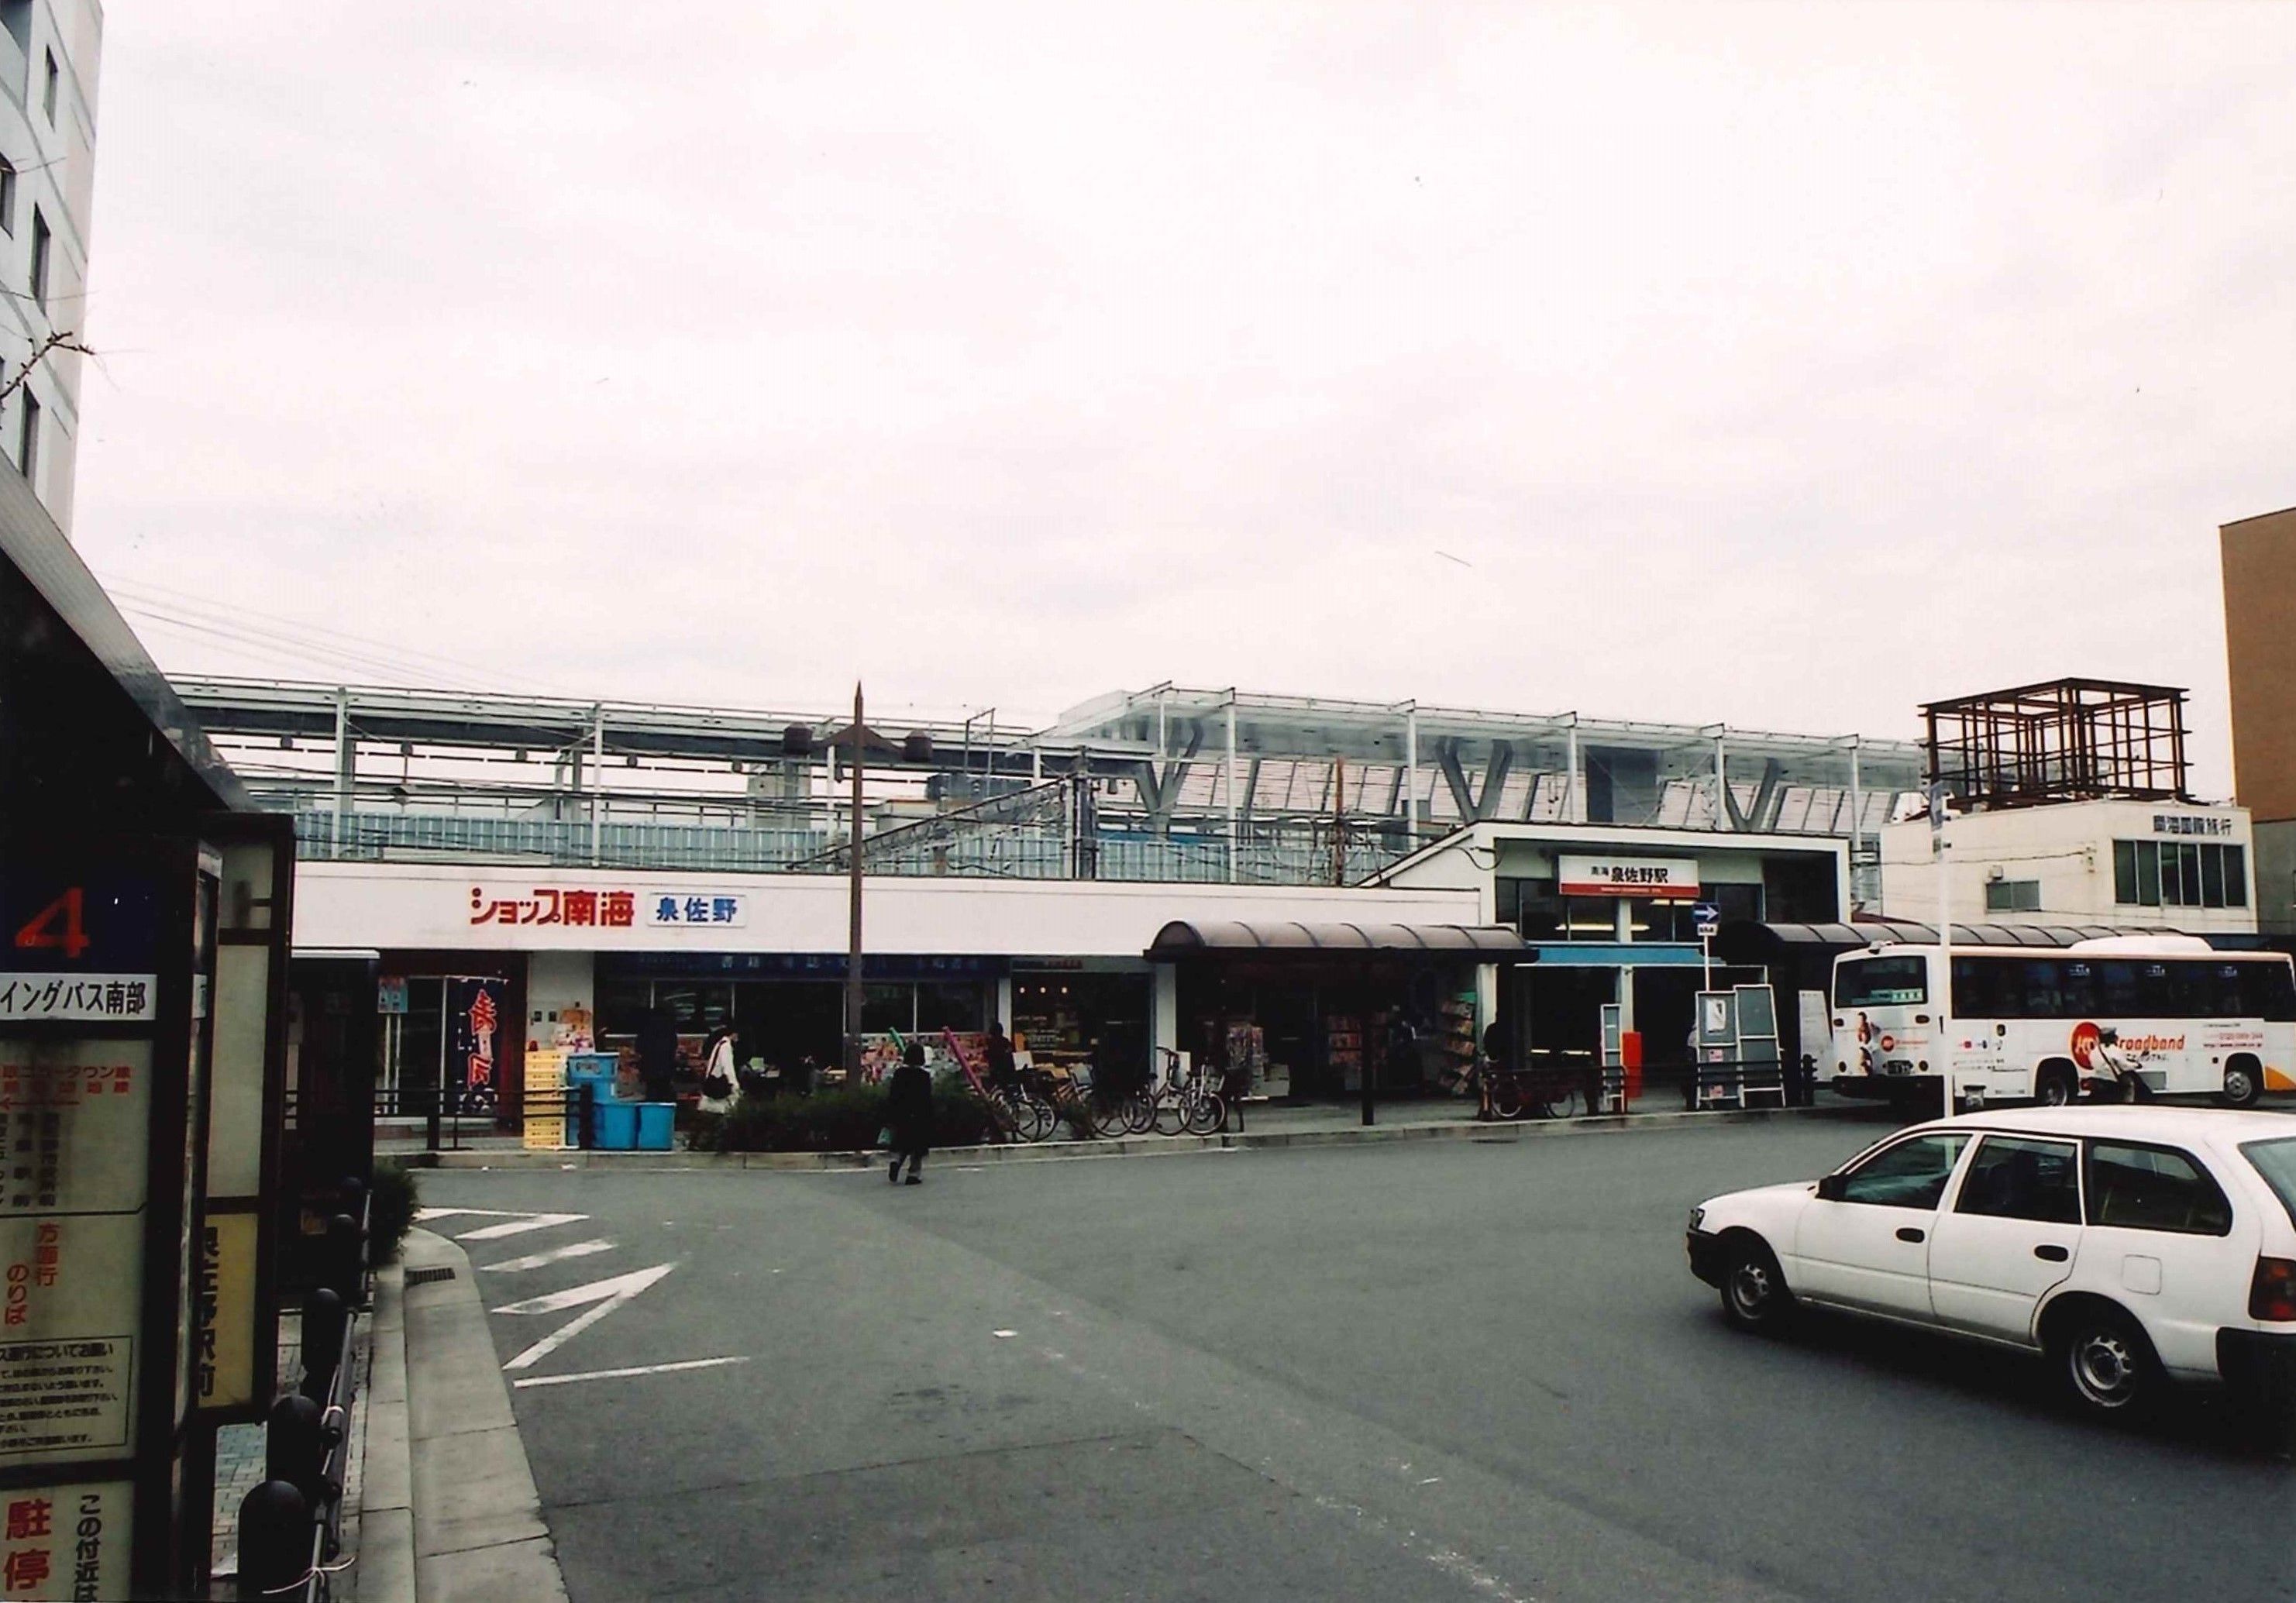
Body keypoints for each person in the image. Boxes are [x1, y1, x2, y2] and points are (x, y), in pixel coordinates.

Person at [886, 1039, 933, 1185]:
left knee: (900, 1141)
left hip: (901, 1113)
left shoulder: (899, 1074)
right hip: (918, 1115)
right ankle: (913, 1174)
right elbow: (927, 1099)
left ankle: (896, 1161)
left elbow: (893, 1095)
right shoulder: (924, 1076)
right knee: (917, 1147)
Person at [697, 1024, 742, 1124]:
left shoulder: (719, 1044)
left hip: (711, 1084)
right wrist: (735, 1085)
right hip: (718, 1090)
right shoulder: (726, 1046)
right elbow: (728, 1068)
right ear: (734, 1034)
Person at [638, 1006, 680, 1104]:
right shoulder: (669, 1029)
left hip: (649, 1067)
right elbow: (674, 1046)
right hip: (666, 1067)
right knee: (665, 1093)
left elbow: (639, 1047)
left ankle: (652, 1114)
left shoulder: (646, 1029)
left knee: (652, 1094)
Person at [983, 1021, 1018, 1094]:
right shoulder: (1006, 1041)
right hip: (1008, 1070)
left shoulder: (991, 1042)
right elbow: (1012, 1052)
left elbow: (988, 1055)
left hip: (996, 1070)